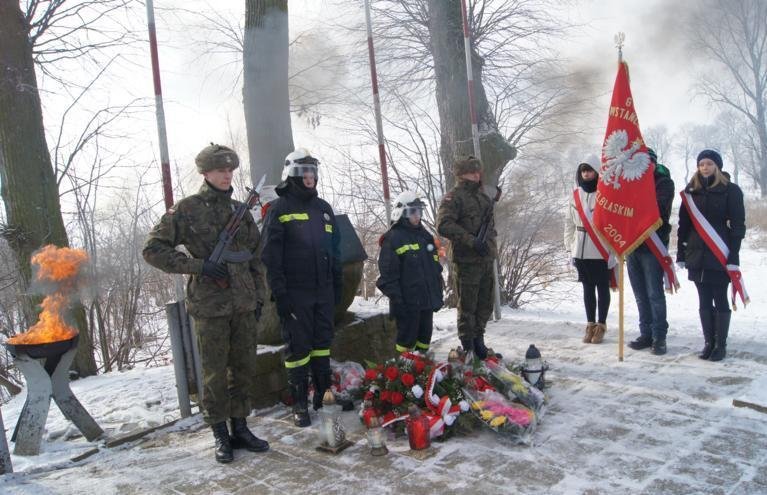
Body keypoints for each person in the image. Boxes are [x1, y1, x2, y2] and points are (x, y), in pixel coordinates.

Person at [143, 143, 269, 464]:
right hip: (210, 306)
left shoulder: (239, 211)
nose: (226, 175)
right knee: (213, 374)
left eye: (229, 170)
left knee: (243, 368)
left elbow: (255, 258)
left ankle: (241, 427)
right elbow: (153, 249)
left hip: (242, 304)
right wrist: (197, 266)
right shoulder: (187, 209)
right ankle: (220, 434)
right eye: (219, 170)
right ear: (205, 173)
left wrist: (258, 297)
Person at [261, 148, 342, 427]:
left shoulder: (324, 210)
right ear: (293, 175)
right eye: (304, 172)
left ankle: (323, 395)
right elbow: (271, 258)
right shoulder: (279, 209)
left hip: (324, 291)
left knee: (322, 344)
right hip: (296, 294)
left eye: (313, 172)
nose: (310, 177)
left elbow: (335, 250)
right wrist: (280, 295)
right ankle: (299, 404)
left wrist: (337, 286)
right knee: (298, 350)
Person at [676, 149, 745, 362]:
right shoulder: (690, 191)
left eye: (709, 163)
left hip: (719, 252)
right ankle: (708, 343)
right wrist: (681, 252)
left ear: (717, 166)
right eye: (701, 164)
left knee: (719, 298)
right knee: (703, 299)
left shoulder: (731, 190)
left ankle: (720, 345)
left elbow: (738, 226)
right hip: (696, 253)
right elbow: (683, 226)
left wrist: (733, 256)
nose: (704, 167)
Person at [437, 156, 496, 359]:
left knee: (485, 302)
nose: (477, 176)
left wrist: (488, 248)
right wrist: (471, 241)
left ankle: (479, 339)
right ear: (462, 174)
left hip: (485, 258)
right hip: (467, 260)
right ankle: (468, 344)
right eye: (472, 172)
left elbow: (491, 227)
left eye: (478, 172)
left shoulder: (483, 197)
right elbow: (443, 224)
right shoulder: (454, 197)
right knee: (468, 305)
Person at [377, 191, 444, 354]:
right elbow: (388, 276)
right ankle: (404, 373)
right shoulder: (393, 238)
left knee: (424, 341)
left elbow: (434, 268)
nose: (417, 216)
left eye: (419, 211)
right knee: (406, 343)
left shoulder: (425, 236)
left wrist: (437, 292)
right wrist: (398, 302)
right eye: (413, 211)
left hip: (426, 302)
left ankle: (422, 372)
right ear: (402, 212)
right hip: (408, 305)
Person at [626, 148, 675, 355]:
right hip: (631, 246)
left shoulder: (663, 183)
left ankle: (659, 336)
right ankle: (645, 333)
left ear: (653, 163)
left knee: (655, 294)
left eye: (646, 163)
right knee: (639, 294)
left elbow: (660, 211)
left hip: (652, 245)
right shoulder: (629, 183)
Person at [564, 156, 613, 344]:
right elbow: (568, 222)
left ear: (596, 172)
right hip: (580, 247)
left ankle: (601, 325)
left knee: (602, 287)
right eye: (583, 170)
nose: (586, 173)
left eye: (590, 170)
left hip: (600, 248)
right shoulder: (574, 194)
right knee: (587, 288)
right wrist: (569, 247)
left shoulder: (605, 194)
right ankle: (590, 324)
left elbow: (612, 224)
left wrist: (613, 252)